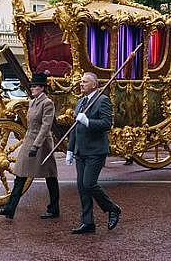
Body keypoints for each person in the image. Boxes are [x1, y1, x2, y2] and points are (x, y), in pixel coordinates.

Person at [0, 72, 59, 219]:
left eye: (35, 86)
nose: (32, 88)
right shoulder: (32, 101)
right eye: (32, 86)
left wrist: (36, 146)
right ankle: (10, 208)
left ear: (42, 88)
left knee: (50, 176)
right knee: (20, 174)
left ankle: (54, 208)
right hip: (29, 139)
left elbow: (46, 126)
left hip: (42, 144)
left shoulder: (47, 103)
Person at [66, 72, 121, 234]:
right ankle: (88, 222)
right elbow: (75, 129)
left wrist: (88, 121)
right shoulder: (81, 102)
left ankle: (112, 208)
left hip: (96, 151)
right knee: (82, 187)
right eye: (81, 81)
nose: (81, 84)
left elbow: (106, 124)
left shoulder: (103, 100)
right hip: (81, 151)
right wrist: (70, 149)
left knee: (89, 183)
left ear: (94, 85)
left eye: (85, 82)